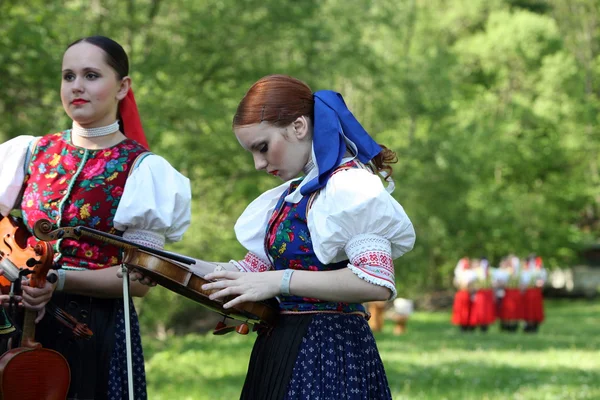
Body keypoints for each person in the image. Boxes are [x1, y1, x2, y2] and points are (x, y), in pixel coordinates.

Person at [136, 74, 415, 399]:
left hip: (330, 354)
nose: (257, 164)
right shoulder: (289, 197)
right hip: (277, 348)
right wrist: (161, 263)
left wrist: (280, 281)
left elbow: (376, 282)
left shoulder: (350, 187)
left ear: (299, 127)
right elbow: (249, 274)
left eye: (263, 147)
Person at [0, 35, 191, 399]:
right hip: (16, 322)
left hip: (95, 330)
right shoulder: (28, 152)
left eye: (91, 75)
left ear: (122, 87)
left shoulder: (144, 170)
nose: (76, 87)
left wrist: (58, 280)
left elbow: (138, 280)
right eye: (68, 76)